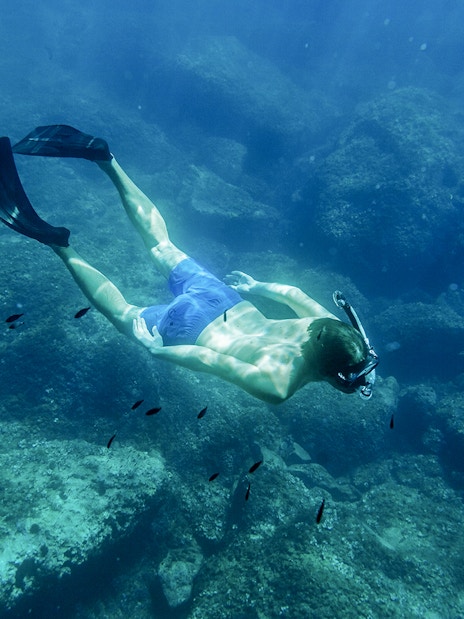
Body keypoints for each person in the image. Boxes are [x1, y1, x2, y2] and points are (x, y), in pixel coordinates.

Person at [0, 125, 378, 403]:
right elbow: (210, 360)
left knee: (161, 244)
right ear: (336, 376)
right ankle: (59, 244)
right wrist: (157, 351)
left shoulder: (323, 325)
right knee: (122, 311)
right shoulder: (280, 384)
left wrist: (253, 286)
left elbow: (292, 292)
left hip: (227, 301)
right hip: (190, 332)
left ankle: (106, 159)